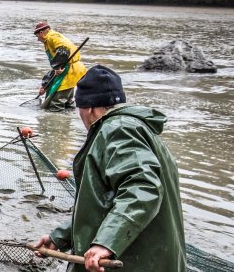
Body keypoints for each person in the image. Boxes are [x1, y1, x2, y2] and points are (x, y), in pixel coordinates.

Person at [32, 65, 185, 272]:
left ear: (90, 108)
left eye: (79, 108)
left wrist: (106, 242)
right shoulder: (137, 128)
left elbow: (143, 187)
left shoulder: (117, 129)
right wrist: (59, 237)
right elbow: (103, 203)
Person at [34, 22, 88, 111]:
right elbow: (55, 66)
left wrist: (58, 67)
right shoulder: (49, 39)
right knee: (67, 101)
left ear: (41, 33)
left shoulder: (52, 37)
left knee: (56, 102)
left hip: (70, 70)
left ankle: (55, 121)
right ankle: (67, 119)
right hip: (70, 70)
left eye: (37, 37)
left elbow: (64, 49)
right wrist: (44, 85)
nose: (38, 40)